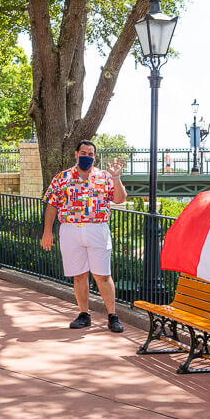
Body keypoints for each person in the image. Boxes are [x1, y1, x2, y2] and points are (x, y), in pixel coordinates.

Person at [41, 139, 128, 332]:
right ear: (76, 154)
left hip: (97, 229)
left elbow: (120, 199)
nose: (87, 157)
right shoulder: (62, 178)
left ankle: (112, 315)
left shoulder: (105, 177)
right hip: (70, 230)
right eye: (83, 153)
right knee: (79, 275)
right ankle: (84, 314)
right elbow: (51, 205)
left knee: (102, 275)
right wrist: (47, 232)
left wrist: (116, 178)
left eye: (91, 154)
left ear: (95, 157)